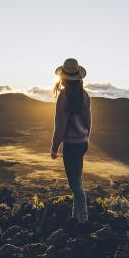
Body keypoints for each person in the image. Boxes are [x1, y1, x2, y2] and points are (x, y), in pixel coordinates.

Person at [50, 58, 92, 224]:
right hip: (83, 143)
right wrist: (86, 136)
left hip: (71, 146)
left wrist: (54, 148)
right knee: (78, 179)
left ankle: (83, 218)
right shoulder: (84, 95)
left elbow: (60, 125)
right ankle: (75, 214)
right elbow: (88, 121)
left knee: (75, 184)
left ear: (64, 77)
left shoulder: (64, 97)